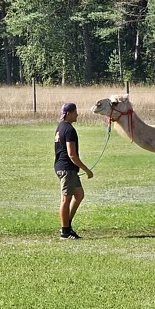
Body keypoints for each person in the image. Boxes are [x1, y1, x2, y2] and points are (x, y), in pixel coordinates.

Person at [54, 102, 93, 239]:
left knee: (79, 194)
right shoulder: (69, 130)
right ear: (69, 114)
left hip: (65, 168)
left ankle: (67, 224)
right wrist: (87, 170)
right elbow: (72, 154)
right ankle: (65, 232)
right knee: (66, 199)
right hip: (67, 169)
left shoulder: (60, 127)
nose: (77, 114)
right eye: (75, 112)